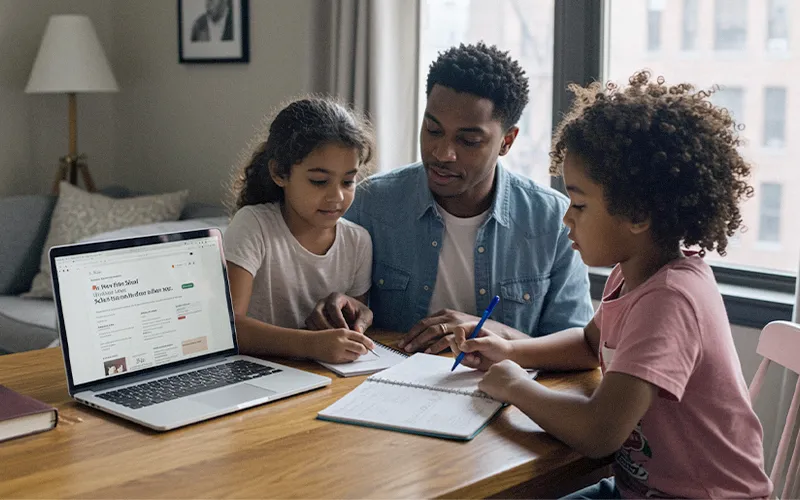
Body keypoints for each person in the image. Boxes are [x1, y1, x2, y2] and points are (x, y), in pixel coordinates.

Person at [449, 71, 772, 499]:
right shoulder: (634, 273)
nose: (567, 217)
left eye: (580, 204)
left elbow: (600, 432)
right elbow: (588, 344)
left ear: (638, 215)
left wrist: (514, 386)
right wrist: (510, 350)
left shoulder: (670, 301)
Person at [308, 42, 593, 354]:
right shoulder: (369, 203)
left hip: (507, 396)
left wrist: (493, 333)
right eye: (433, 130)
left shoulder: (553, 220)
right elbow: (332, 306)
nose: (442, 154)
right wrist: (337, 308)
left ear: (506, 142)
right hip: (387, 389)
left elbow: (580, 348)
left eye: (468, 141)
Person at [224, 97, 378, 364]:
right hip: (260, 372)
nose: (337, 197)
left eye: (348, 181)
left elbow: (350, 321)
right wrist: (311, 345)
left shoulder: (358, 241)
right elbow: (230, 328)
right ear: (279, 173)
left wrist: (357, 317)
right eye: (319, 181)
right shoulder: (254, 225)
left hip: (324, 376)